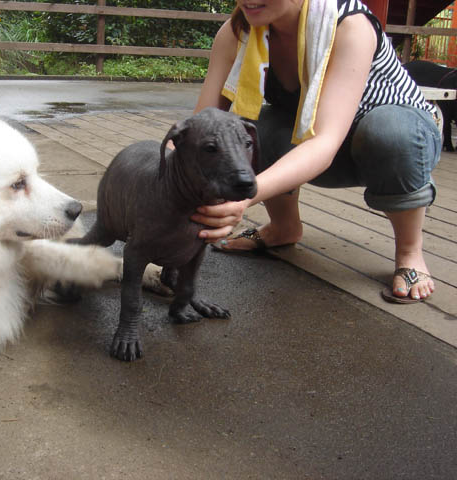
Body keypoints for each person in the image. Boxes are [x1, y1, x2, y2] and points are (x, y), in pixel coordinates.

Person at [188, 0, 441, 304]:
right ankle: (284, 228)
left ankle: (410, 252)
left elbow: (325, 141)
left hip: (397, 140)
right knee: (250, 131)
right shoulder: (238, 31)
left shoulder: (349, 24)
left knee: (388, 131)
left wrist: (243, 196)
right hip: (312, 140)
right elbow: (199, 127)